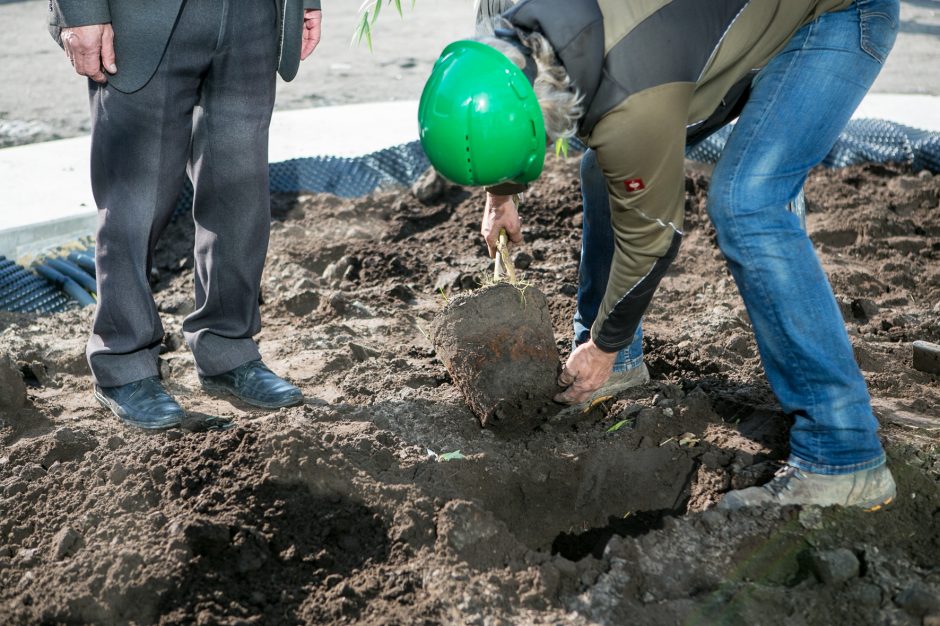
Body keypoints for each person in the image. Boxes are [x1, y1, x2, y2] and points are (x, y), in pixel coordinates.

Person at [419, 0, 899, 509]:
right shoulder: (502, 19)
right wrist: (500, 194)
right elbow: (506, 97)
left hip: (836, 15)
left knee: (747, 202)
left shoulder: (633, 98)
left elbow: (652, 239)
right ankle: (619, 365)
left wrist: (603, 343)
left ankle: (843, 454)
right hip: (705, 28)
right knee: (602, 169)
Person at [49, 0, 323, 429]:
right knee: (134, 201)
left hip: (252, 16)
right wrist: (79, 10)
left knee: (240, 196)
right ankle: (123, 363)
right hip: (139, 19)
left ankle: (228, 348)